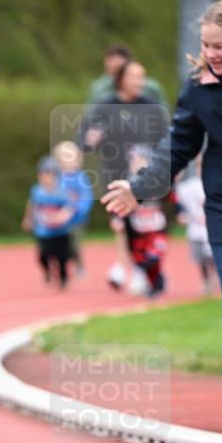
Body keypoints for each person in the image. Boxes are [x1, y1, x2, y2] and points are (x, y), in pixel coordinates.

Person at [102, 0, 222, 431]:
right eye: (206, 44)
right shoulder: (200, 88)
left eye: (220, 45)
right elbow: (176, 148)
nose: (212, 53)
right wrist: (138, 187)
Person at [82, 59, 169, 291]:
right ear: (120, 79)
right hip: (115, 174)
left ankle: (145, 268)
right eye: (134, 77)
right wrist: (89, 140)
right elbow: (84, 138)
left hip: (147, 177)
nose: (139, 82)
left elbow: (169, 140)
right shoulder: (104, 106)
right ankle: (130, 267)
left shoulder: (152, 107)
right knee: (121, 225)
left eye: (142, 76)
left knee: (146, 225)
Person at [118, 144, 168, 298]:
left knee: (153, 257)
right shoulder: (127, 183)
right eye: (133, 161)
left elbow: (171, 197)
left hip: (155, 229)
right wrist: (118, 218)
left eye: (141, 160)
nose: (137, 164)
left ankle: (158, 283)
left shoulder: (157, 181)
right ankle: (152, 283)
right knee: (140, 260)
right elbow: (120, 203)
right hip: (138, 230)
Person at [22, 157, 75, 289]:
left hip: (61, 232)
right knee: (43, 256)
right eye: (44, 175)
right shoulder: (37, 191)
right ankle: (47, 271)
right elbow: (32, 205)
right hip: (44, 231)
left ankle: (63, 279)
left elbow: (70, 207)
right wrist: (28, 219)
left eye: (51, 175)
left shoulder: (62, 193)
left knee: (62, 258)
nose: (47, 179)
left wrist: (63, 216)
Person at [175, 157, 216, 296]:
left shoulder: (215, 184)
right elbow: (178, 196)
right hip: (196, 228)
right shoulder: (190, 186)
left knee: (214, 257)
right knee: (201, 259)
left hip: (213, 228)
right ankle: (206, 282)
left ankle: (216, 279)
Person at [52, 141, 92, 277]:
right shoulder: (55, 178)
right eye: (64, 155)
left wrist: (73, 211)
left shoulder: (81, 178)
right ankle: (59, 268)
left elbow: (86, 199)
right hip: (56, 219)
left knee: (73, 243)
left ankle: (79, 266)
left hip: (76, 220)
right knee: (56, 245)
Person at [87, 44, 168, 108]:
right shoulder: (98, 88)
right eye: (111, 67)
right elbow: (90, 117)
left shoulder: (151, 88)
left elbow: (164, 114)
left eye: (119, 69)